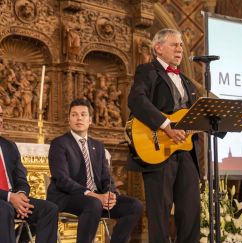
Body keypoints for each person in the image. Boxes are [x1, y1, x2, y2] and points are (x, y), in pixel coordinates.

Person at [127, 28, 200, 243]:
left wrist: (230, 122)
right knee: (159, 211)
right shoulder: (147, 71)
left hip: (185, 150)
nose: (180, 49)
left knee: (190, 209)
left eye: (181, 45)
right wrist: (166, 125)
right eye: (174, 45)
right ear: (158, 48)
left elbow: (197, 114)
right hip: (156, 149)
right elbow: (137, 100)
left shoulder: (187, 81)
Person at [47, 98, 142, 243]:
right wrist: (94, 195)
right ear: (69, 119)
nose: (79, 118)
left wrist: (110, 194)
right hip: (66, 197)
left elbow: (106, 177)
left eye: (83, 114)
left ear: (90, 120)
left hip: (96, 199)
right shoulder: (59, 144)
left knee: (134, 206)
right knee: (93, 203)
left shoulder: (97, 146)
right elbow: (62, 180)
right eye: (74, 115)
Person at [0, 104, 58, 243]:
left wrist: (20, 196)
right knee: (5, 208)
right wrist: (9, 197)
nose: (0, 120)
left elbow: (21, 179)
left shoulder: (9, 146)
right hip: (4, 202)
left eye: (1, 115)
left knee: (49, 209)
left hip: (13, 200)